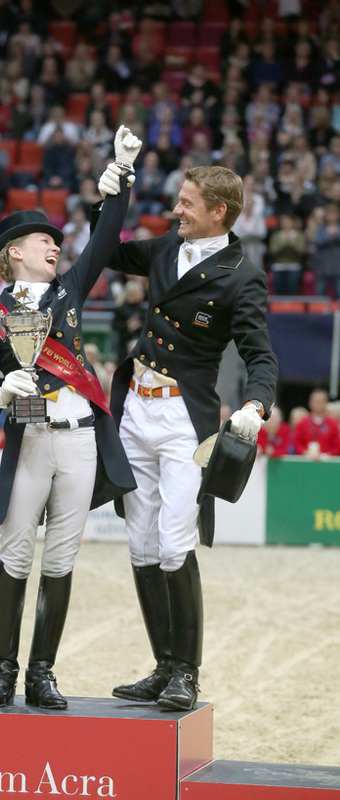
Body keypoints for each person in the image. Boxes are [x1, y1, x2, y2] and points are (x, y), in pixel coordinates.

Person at [0, 126, 141, 711]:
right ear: (12, 252)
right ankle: (1, 671)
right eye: (44, 240)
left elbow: (105, 237)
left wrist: (117, 182)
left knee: (62, 558)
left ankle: (41, 671)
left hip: (80, 440)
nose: (55, 246)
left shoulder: (69, 293)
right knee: (16, 555)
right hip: (30, 439)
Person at [97, 161, 278, 712]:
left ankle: (186, 674)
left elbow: (259, 352)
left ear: (218, 211)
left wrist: (256, 403)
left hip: (183, 421)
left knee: (176, 545)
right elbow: (106, 248)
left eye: (187, 203)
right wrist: (111, 196)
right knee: (141, 544)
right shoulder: (162, 250)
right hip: (136, 413)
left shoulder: (242, 273)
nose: (177, 210)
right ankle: (161, 666)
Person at [293, 388, 340, 457]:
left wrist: (326, 455)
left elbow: (336, 446)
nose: (318, 404)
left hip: (326, 463)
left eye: (321, 401)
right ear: (310, 403)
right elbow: (297, 444)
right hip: (306, 462)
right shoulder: (302, 423)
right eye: (316, 401)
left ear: (326, 403)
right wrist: (306, 453)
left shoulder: (333, 424)